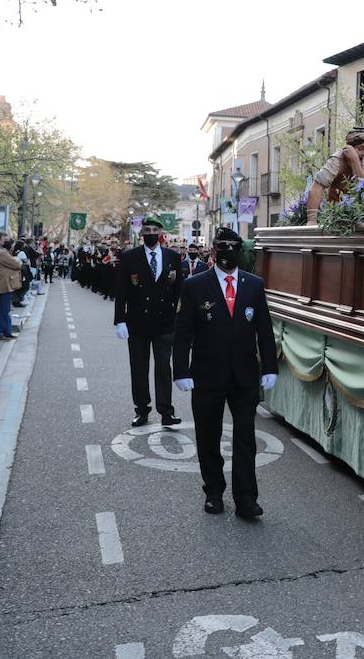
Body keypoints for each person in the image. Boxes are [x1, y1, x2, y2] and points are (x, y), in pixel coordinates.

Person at [172, 227, 277, 520]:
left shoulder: (254, 285)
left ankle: (246, 499)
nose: (228, 253)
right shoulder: (195, 285)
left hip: (244, 376)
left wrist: (270, 366)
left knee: (245, 438)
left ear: (239, 251)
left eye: (234, 247)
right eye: (222, 247)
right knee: (208, 436)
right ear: (215, 250)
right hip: (207, 375)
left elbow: (264, 331)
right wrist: (180, 370)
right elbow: (183, 332)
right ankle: (214, 492)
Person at [115, 218, 184, 428]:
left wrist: (179, 318)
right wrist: (120, 320)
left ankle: (166, 412)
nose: (151, 233)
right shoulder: (129, 257)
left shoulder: (173, 257)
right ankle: (142, 410)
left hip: (164, 322)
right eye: (147, 230)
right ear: (141, 233)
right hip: (137, 323)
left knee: (164, 368)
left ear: (161, 233)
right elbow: (121, 291)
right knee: (139, 368)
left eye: (155, 230)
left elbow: (178, 290)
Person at [306, 130, 364, 223]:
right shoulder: (337, 161)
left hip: (357, 216)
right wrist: (312, 220)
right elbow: (317, 187)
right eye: (360, 148)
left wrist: (355, 161)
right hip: (333, 214)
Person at [0, 231, 21, 340]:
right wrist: (17, 261)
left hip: (0, 283)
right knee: (2, 310)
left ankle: (6, 331)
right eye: (4, 238)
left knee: (5, 309)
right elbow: (16, 264)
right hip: (2, 284)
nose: (6, 240)